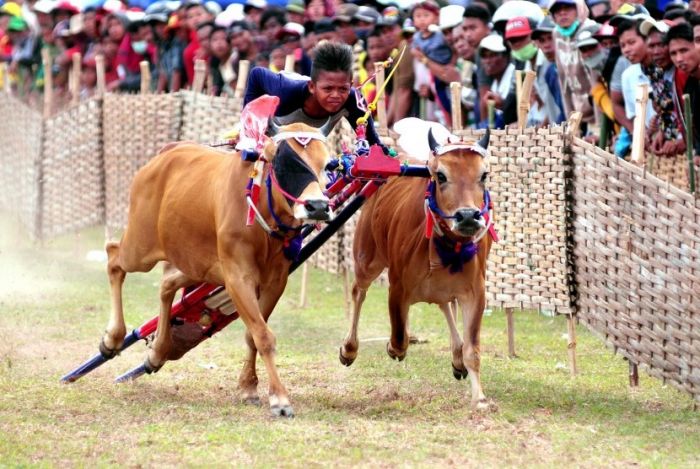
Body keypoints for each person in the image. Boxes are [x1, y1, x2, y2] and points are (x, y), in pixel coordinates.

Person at [244, 41, 386, 149]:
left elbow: (374, 145)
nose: (336, 95)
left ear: (351, 84)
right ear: (312, 86)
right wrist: (249, 132)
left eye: (343, 89)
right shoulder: (285, 91)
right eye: (328, 89)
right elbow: (256, 74)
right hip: (270, 140)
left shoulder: (354, 100)